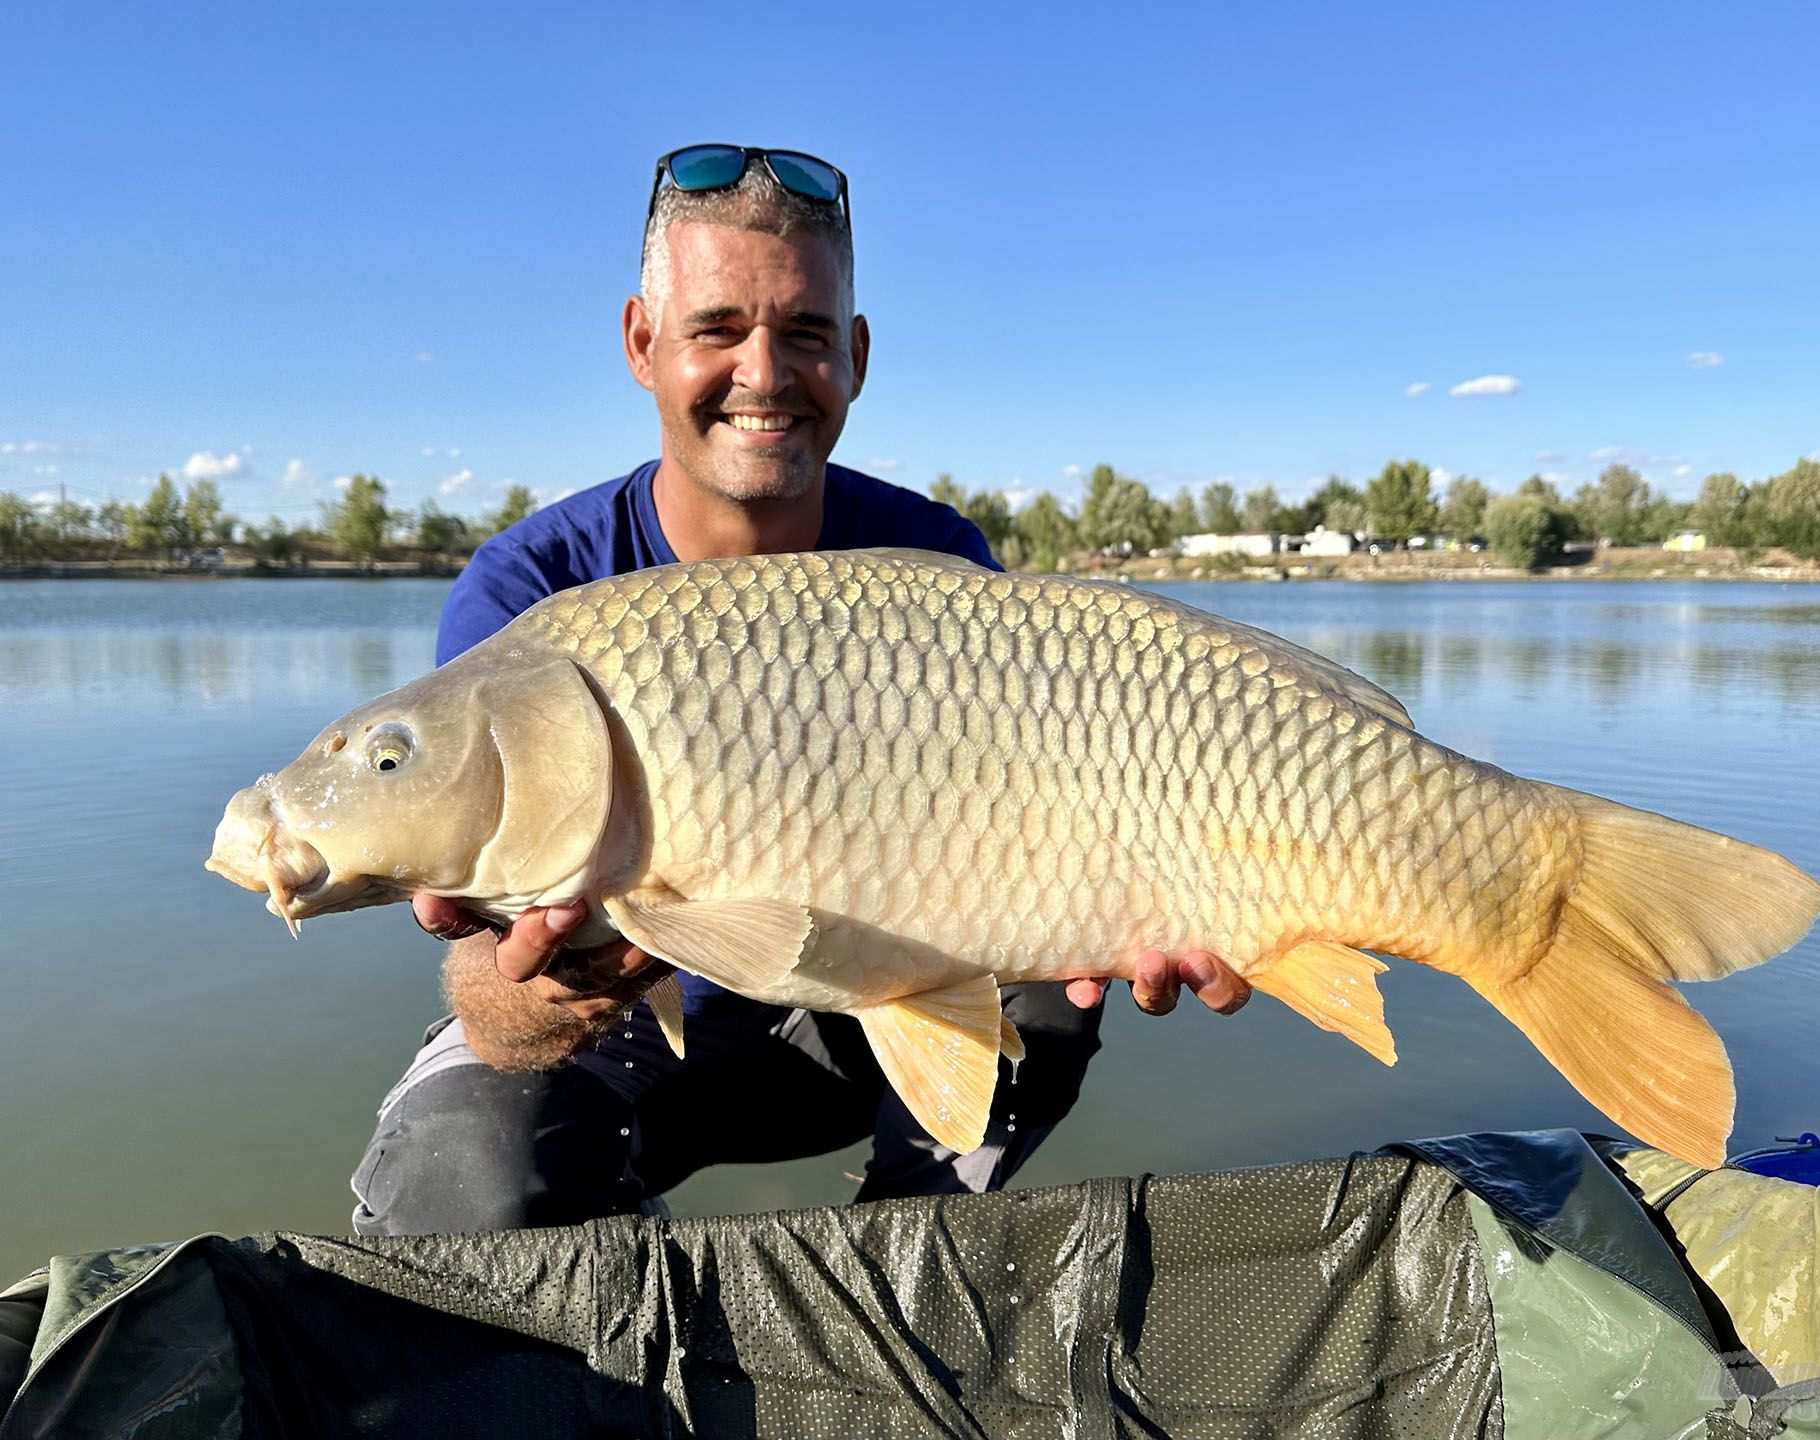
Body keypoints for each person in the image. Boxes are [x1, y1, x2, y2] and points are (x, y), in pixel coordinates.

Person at [352, 145, 1247, 1236]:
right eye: (717, 328)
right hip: (634, 1038)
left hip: (853, 1028)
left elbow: (1064, 816)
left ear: (857, 356)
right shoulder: (531, 595)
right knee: (464, 1179)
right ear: (643, 341)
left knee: (1055, 987)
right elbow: (495, 1012)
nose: (766, 373)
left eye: (807, 335)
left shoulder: (935, 557)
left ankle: (907, 1250)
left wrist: (1173, 897)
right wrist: (561, 989)